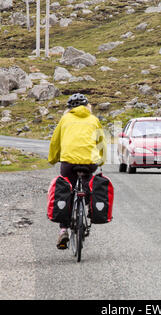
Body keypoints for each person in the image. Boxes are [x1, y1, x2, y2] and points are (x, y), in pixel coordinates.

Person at [48, 93, 106, 249]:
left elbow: (55, 141)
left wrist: (53, 159)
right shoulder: (94, 120)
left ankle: (63, 230)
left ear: (69, 108)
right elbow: (101, 142)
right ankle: (85, 204)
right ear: (88, 106)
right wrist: (101, 159)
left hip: (68, 162)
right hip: (89, 162)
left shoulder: (65, 119)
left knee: (66, 189)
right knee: (87, 187)